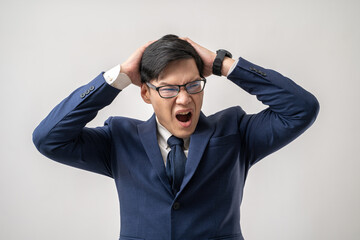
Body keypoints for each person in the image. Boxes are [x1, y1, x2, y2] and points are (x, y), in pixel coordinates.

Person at [33, 34, 319, 240]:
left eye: (193, 85)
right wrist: (118, 78)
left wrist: (223, 64)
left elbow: (302, 109)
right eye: (169, 89)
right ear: (146, 93)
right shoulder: (119, 140)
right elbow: (48, 138)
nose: (184, 100)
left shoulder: (235, 131)